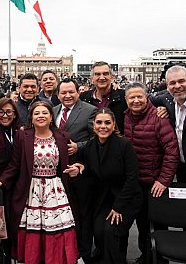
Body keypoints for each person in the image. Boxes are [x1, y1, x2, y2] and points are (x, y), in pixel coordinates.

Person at [0, 101, 79, 264]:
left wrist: (79, 168)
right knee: (32, 228)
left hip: (55, 191)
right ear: (31, 117)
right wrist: (1, 181)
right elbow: (15, 164)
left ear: (51, 117)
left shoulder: (64, 136)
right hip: (31, 190)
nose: (41, 116)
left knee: (56, 228)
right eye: (37, 113)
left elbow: (73, 162)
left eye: (45, 113)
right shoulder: (23, 136)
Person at [124, 82, 179, 264]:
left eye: (140, 96)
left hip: (155, 183)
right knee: (141, 223)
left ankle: (159, 260)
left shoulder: (158, 117)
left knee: (157, 224)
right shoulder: (124, 117)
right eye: (132, 97)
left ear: (147, 97)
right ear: (126, 100)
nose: (136, 100)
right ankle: (146, 256)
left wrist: (164, 180)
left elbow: (172, 151)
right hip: (136, 182)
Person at [79, 108, 143, 264]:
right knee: (98, 231)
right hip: (105, 198)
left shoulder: (124, 145)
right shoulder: (90, 145)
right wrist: (82, 168)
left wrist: (119, 207)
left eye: (107, 123)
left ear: (114, 125)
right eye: (99, 122)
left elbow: (132, 178)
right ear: (93, 125)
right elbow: (90, 167)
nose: (103, 126)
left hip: (126, 199)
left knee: (111, 231)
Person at [53, 78, 97, 263]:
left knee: (83, 215)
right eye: (63, 92)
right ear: (58, 95)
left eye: (71, 92)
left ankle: (84, 253)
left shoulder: (89, 110)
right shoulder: (53, 111)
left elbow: (99, 138)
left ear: (78, 92)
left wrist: (79, 146)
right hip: (56, 174)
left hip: (80, 173)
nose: (67, 95)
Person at [150, 65, 186, 183]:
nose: (177, 86)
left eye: (182, 81)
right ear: (167, 86)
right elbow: (143, 100)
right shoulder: (166, 100)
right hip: (181, 167)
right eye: (172, 83)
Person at [80, 61, 127, 133]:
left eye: (105, 74)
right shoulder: (83, 98)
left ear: (111, 77)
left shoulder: (123, 97)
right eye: (97, 74)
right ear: (92, 78)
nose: (101, 77)